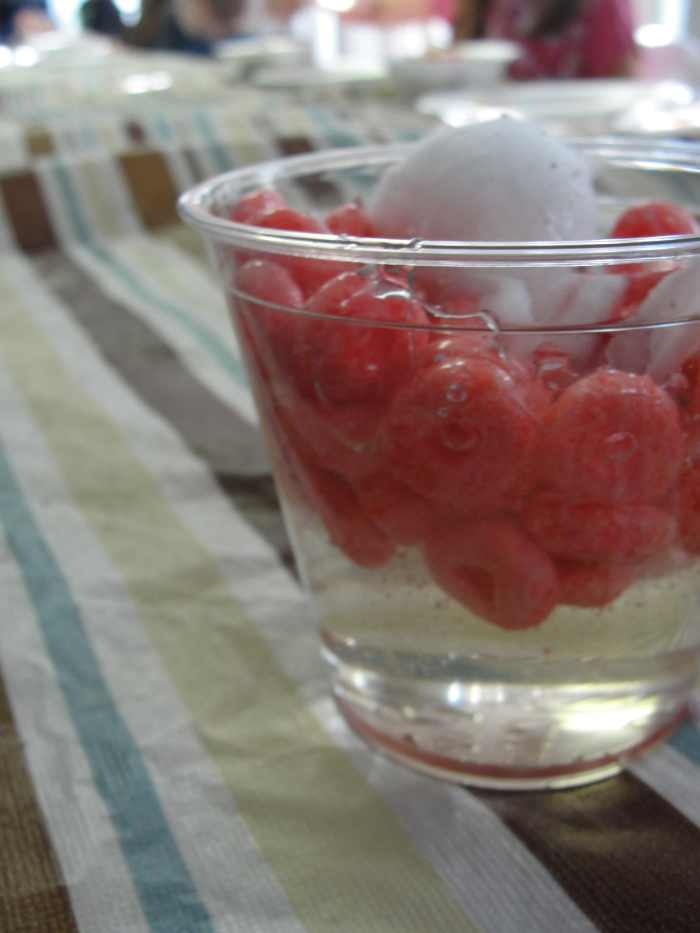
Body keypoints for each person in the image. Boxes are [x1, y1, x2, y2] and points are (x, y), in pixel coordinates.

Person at [454, 0, 637, 79]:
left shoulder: (603, 6)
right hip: (493, 127)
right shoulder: (486, 6)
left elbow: (620, 89)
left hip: (582, 137)